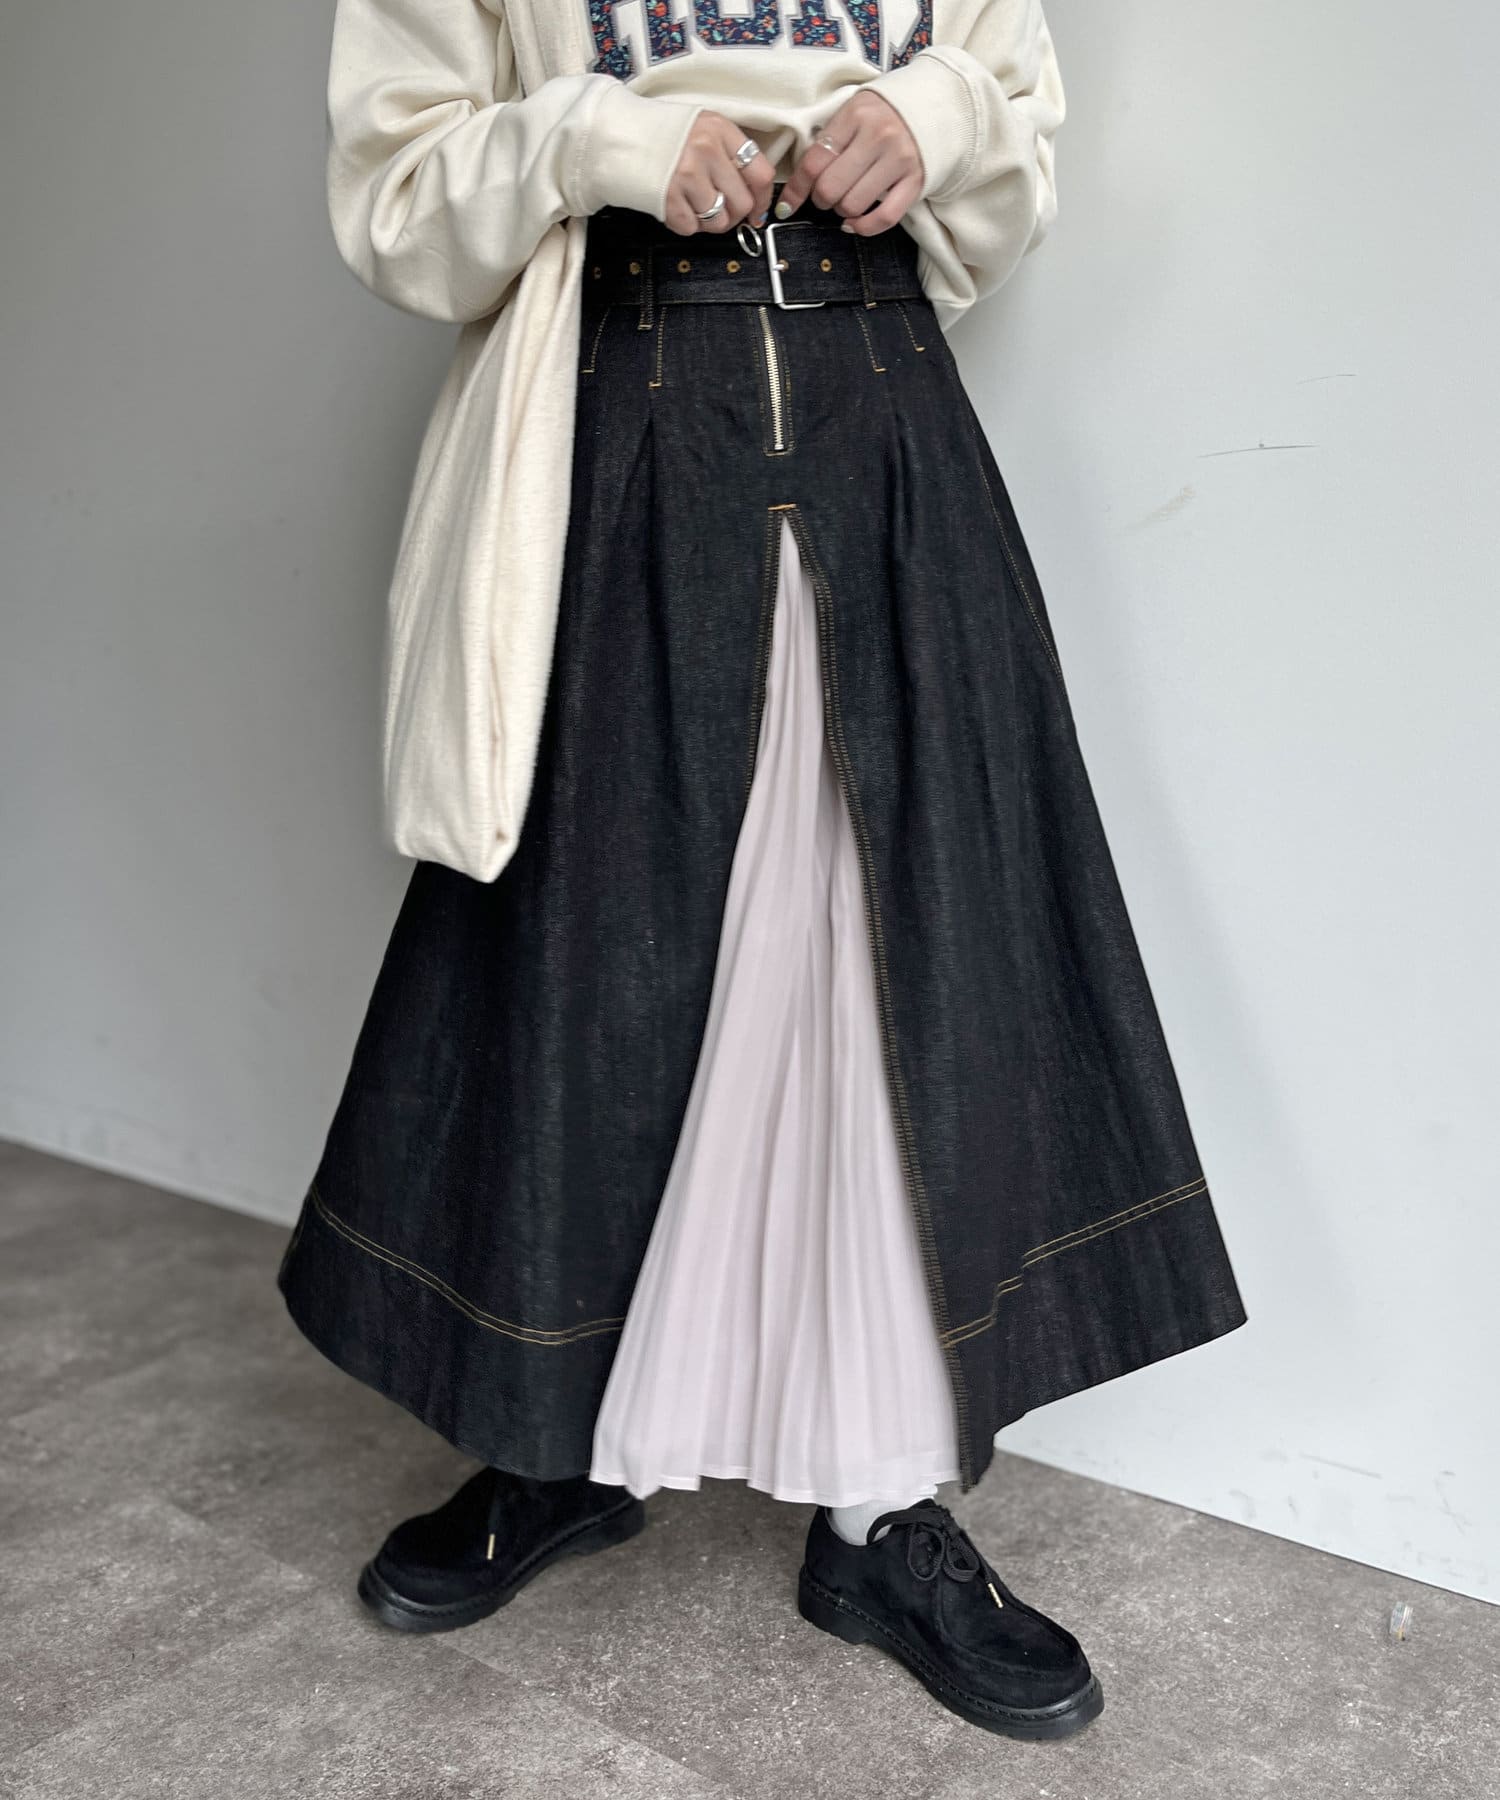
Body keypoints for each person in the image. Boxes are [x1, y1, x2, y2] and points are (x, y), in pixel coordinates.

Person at [278, 0, 1248, 1743]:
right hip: (611, 405)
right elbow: (394, 195)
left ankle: (880, 1506)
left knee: (893, 952)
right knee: (584, 948)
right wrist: (599, 140)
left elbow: (1014, 118)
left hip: (887, 411)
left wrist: (936, 119)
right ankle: (557, 1435)